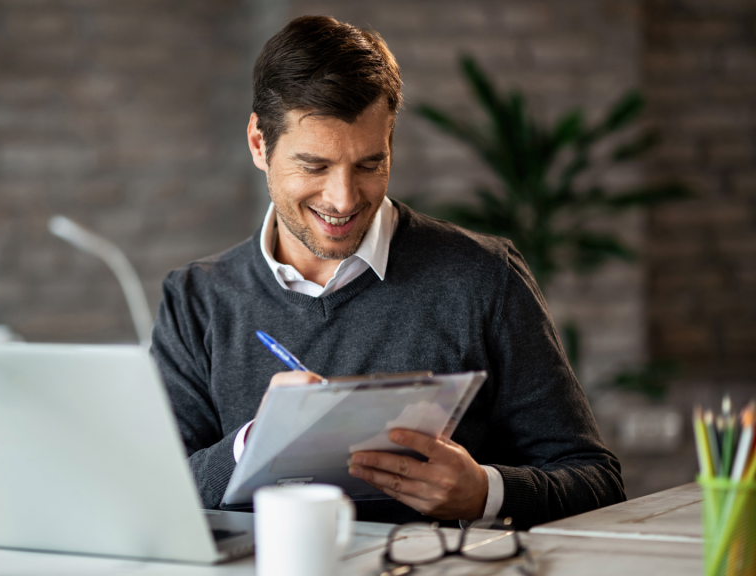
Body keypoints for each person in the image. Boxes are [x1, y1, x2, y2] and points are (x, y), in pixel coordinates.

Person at [151, 15, 625, 528]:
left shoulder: (484, 276)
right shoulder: (196, 298)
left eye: (369, 164)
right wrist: (253, 444)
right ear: (258, 144)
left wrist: (484, 493)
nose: (343, 199)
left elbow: (596, 480)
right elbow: (153, 489)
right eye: (315, 166)